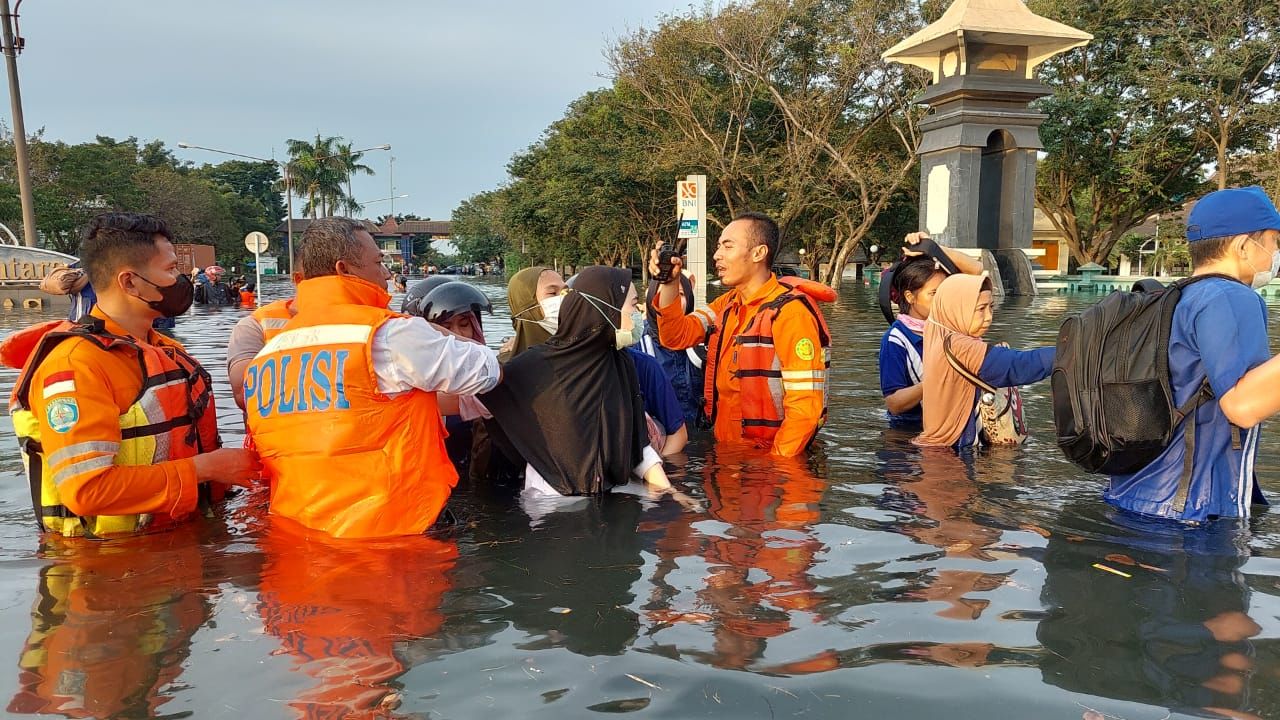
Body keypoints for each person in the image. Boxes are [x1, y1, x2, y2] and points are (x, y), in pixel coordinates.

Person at [0, 212, 258, 537]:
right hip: (104, 570)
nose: (180, 281)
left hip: (174, 549)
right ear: (130, 282)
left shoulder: (163, 350)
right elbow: (87, 491)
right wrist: (204, 469)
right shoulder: (75, 364)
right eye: (170, 270)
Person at [244, 217, 500, 539]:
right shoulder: (389, 333)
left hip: (301, 538)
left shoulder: (267, 355)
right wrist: (436, 333)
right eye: (379, 262)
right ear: (344, 269)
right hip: (392, 537)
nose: (386, 274)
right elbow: (487, 372)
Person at [1106, 186, 1280, 522]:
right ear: (1243, 246)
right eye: (1274, 241)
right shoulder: (1231, 296)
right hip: (1192, 513)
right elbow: (1242, 407)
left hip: (1135, 498)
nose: (1276, 253)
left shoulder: (1174, 298)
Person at [650, 212, 833, 457]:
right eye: (718, 247)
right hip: (728, 456)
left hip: (770, 463)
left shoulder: (791, 314)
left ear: (759, 253)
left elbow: (805, 412)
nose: (717, 255)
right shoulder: (727, 305)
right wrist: (670, 283)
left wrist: (775, 472)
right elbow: (675, 337)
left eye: (728, 246)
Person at [480, 266, 673, 497]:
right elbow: (482, 401)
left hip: (609, 496)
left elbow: (636, 443)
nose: (638, 313)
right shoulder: (535, 366)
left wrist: (670, 491)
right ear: (606, 309)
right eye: (632, 305)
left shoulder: (620, 363)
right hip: (551, 504)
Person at [913, 273, 1054, 449]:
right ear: (958, 309)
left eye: (991, 307)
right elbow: (1018, 366)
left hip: (940, 449)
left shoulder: (937, 333)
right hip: (952, 452)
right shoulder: (958, 345)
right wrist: (1071, 352)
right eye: (980, 309)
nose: (988, 317)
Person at [879, 233, 985, 428]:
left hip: (958, 423)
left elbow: (977, 271)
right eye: (934, 294)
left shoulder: (951, 325)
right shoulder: (897, 339)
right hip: (912, 432)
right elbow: (894, 403)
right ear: (910, 297)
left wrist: (933, 248)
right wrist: (939, 377)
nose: (942, 299)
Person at [638, 273, 708, 429]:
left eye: (680, 294)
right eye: (663, 294)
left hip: (701, 437)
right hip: (662, 440)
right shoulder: (638, 345)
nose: (671, 301)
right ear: (651, 299)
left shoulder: (703, 339)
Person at [501, 265, 567, 362]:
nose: (565, 298)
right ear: (524, 303)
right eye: (552, 293)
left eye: (566, 291)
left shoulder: (585, 348)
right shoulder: (500, 370)